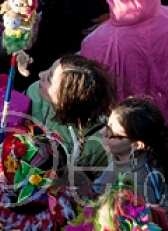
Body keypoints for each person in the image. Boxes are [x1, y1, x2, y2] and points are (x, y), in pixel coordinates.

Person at [26, 54, 116, 194]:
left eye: (49, 79)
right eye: (48, 69)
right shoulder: (35, 94)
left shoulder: (101, 141)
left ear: (68, 100)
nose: (40, 74)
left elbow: (103, 191)